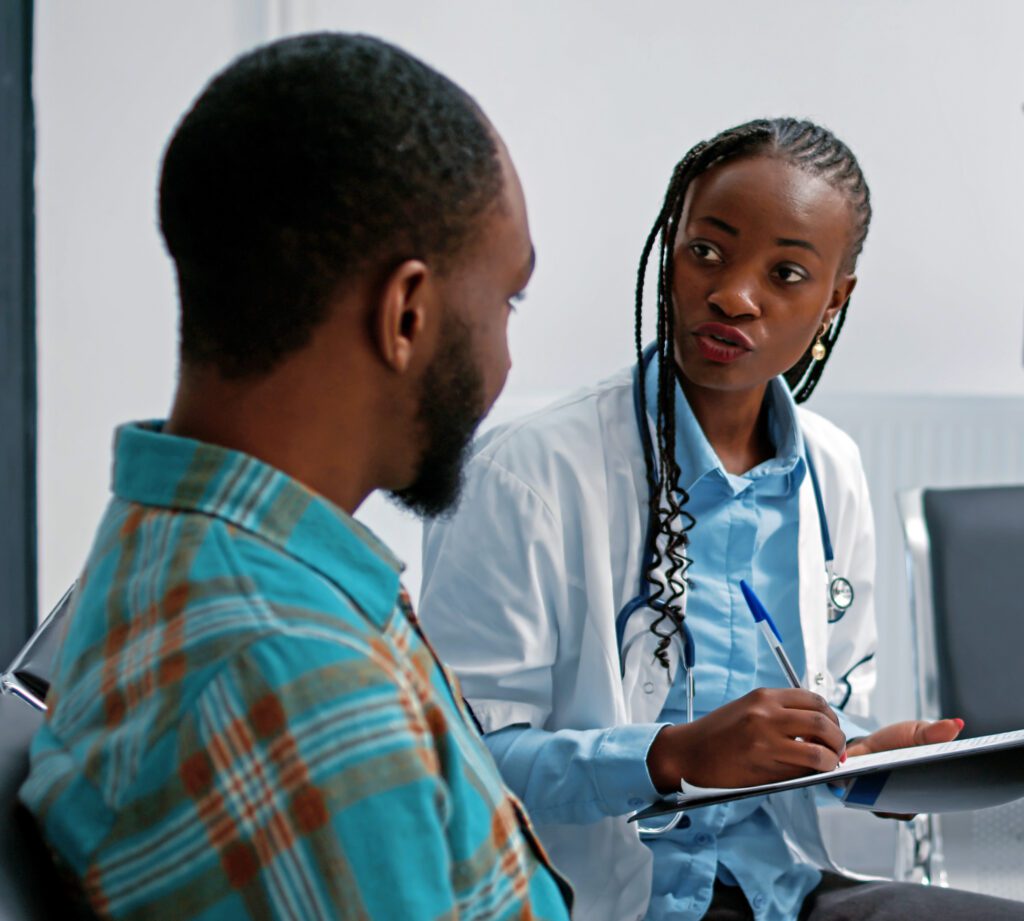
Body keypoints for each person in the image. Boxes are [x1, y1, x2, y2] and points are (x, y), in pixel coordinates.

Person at [19, 33, 572, 920]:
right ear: (408, 313)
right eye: (506, 302)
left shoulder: (194, 551)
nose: (507, 355)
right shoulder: (293, 677)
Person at [419, 118, 1024, 920]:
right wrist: (669, 756)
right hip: (608, 901)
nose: (734, 293)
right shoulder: (523, 474)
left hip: (787, 886)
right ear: (670, 248)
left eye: (786, 272)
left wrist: (867, 756)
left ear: (834, 298)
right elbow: (462, 765)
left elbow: (827, 707)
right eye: (707, 249)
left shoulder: (830, 470)